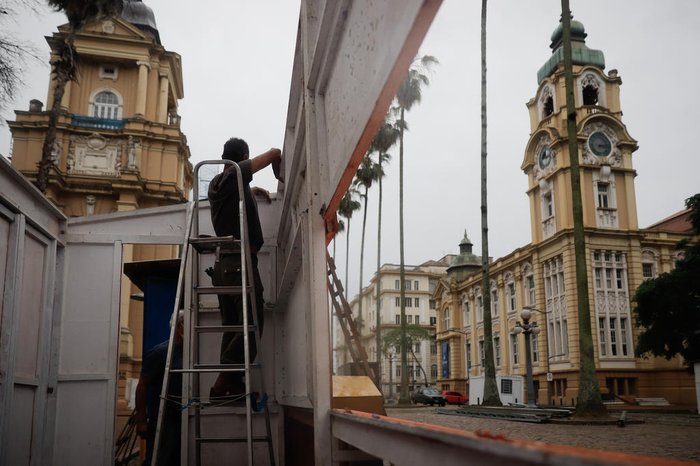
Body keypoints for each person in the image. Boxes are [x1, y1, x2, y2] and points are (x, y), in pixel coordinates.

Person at [207, 137, 283, 398]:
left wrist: (253, 192)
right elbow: (243, 171)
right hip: (237, 263)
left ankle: (230, 382)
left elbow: (239, 190)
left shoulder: (227, 186)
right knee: (252, 320)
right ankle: (224, 380)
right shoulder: (228, 177)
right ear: (241, 158)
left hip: (227, 265)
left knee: (234, 325)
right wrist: (274, 154)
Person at [135, 311, 184, 466]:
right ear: (179, 326)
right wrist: (141, 420)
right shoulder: (159, 353)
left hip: (184, 417)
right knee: (161, 458)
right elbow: (142, 385)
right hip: (164, 420)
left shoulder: (192, 352)